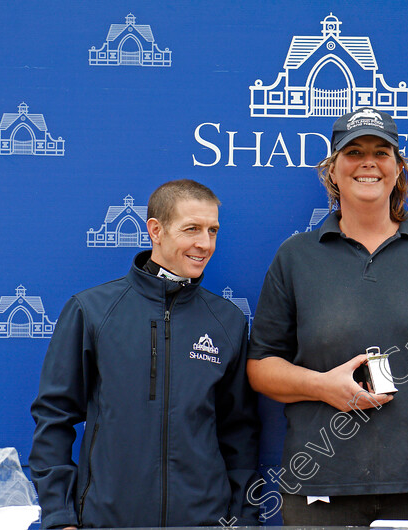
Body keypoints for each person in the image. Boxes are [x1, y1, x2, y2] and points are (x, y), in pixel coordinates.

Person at [247, 107, 408, 525]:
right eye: (354, 151)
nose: (368, 162)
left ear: (399, 169)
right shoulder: (295, 256)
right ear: (332, 171)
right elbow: (261, 368)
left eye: (381, 152)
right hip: (320, 484)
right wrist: (322, 386)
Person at [30, 180, 259, 529]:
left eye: (213, 230)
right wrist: (60, 517)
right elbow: (54, 418)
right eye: (192, 229)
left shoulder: (226, 320)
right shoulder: (91, 310)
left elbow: (239, 431)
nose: (205, 243)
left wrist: (243, 519)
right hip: (107, 520)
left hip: (204, 521)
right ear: (156, 230)